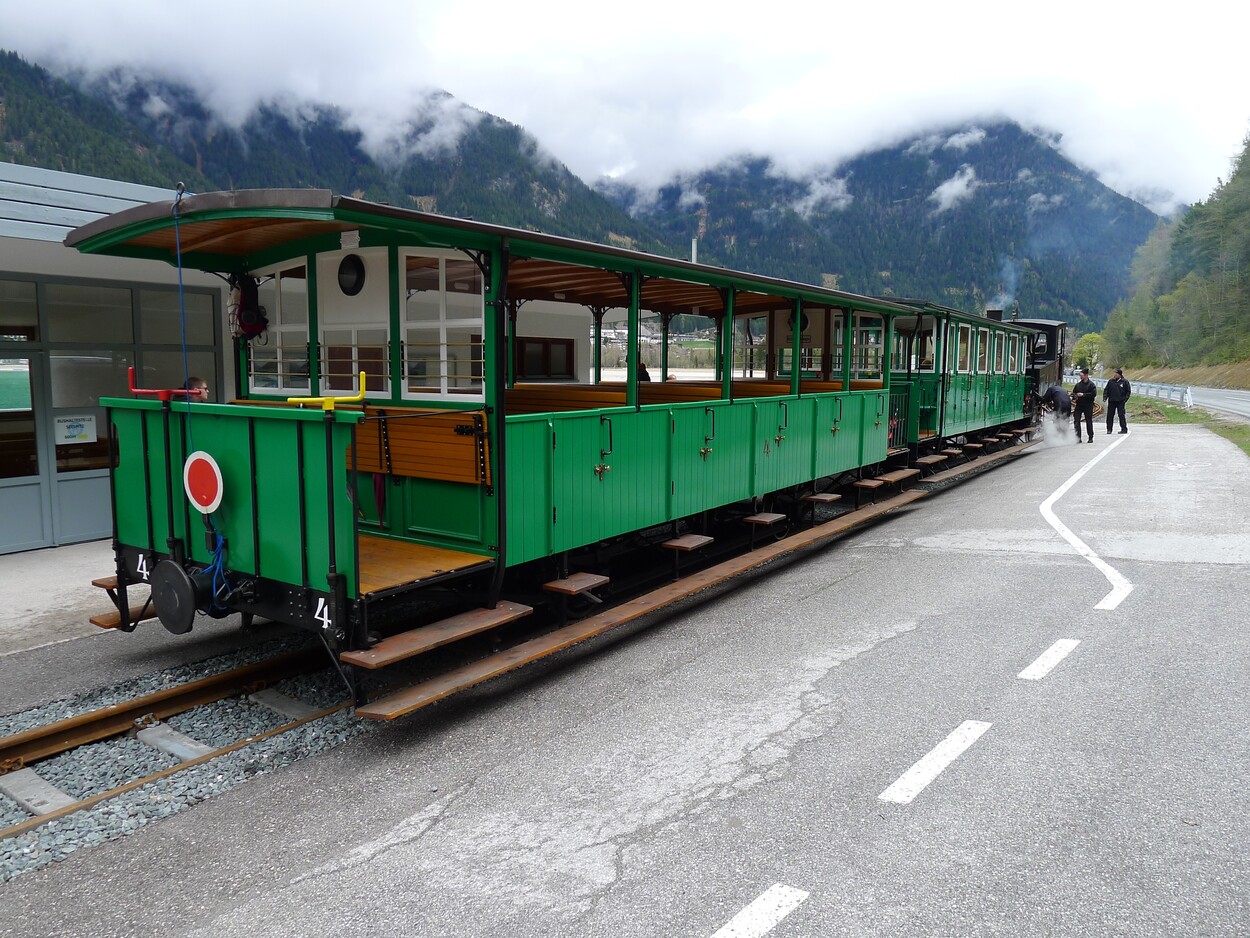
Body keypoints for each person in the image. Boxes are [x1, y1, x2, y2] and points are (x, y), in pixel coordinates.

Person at [1071, 368, 1097, 442]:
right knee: (1076, 420)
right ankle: (1078, 437)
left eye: (1081, 375)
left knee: (1088, 421)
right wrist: (1074, 396)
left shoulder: (1091, 385)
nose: (1080, 377)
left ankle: (1090, 437)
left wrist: (1083, 395)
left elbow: (1093, 394)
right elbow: (1074, 393)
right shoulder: (1078, 385)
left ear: (1086, 375)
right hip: (1079, 405)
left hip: (1088, 405)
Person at [1103, 367, 1131, 434]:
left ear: (1119, 374)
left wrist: (1125, 399)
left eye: (1116, 374)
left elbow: (1128, 391)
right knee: (1110, 415)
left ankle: (1124, 429)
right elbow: (1106, 390)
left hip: (1120, 401)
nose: (1115, 375)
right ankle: (1109, 429)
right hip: (1112, 401)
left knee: (1121, 415)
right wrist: (1105, 397)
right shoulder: (1111, 381)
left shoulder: (1124, 382)